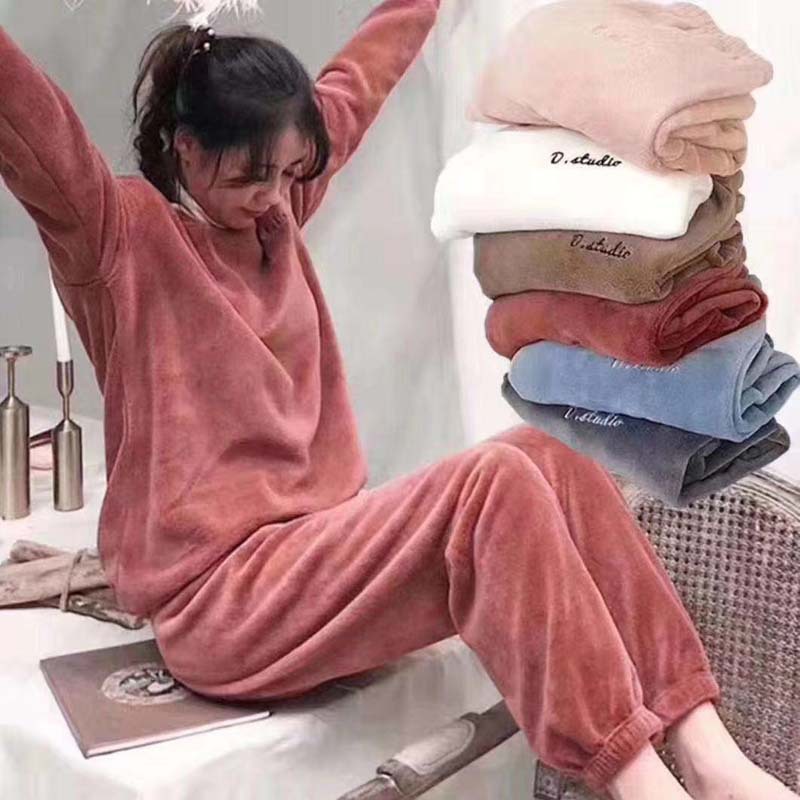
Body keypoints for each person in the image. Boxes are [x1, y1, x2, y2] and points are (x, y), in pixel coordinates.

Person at [0, 3, 796, 798]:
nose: (272, 196)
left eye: (290, 172)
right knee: (491, 485)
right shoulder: (121, 239)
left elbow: (360, 79)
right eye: (249, 176)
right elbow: (30, 122)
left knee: (547, 452)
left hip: (314, 563)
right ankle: (633, 780)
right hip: (222, 605)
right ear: (184, 146)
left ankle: (704, 746)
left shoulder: (275, 217)